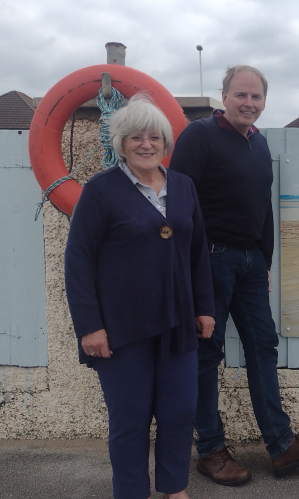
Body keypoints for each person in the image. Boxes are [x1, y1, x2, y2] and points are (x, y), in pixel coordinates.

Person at [170, 65, 299, 485]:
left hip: (249, 264)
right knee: (207, 356)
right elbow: (180, 206)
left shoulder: (258, 144)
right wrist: (190, 271)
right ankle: (210, 451)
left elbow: (263, 208)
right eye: (241, 95)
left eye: (256, 97)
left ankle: (282, 448)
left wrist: (264, 262)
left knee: (264, 346)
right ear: (223, 96)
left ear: (264, 102)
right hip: (209, 260)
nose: (248, 103)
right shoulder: (199, 136)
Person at [65, 94, 216, 499]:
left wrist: (205, 308)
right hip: (121, 330)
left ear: (166, 142)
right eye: (136, 137)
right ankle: (131, 492)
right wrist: (90, 327)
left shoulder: (183, 187)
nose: (146, 144)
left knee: (179, 411)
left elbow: (198, 252)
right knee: (130, 420)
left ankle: (173, 488)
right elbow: (78, 261)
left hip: (179, 323)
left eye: (154, 137)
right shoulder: (100, 191)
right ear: (121, 144)